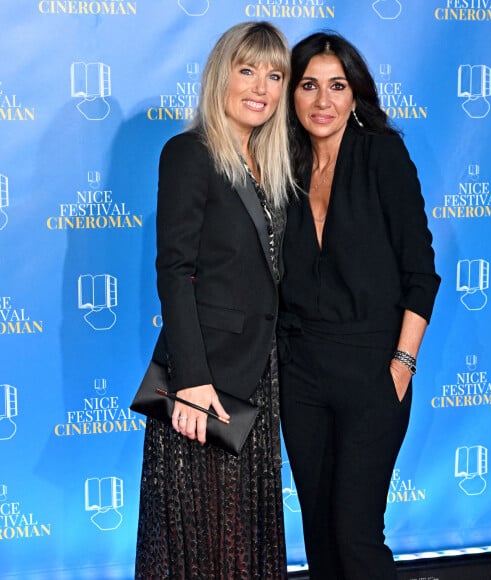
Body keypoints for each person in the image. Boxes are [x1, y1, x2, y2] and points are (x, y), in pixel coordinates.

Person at [135, 21, 295, 579]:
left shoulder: (271, 165)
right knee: (204, 542)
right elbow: (174, 272)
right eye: (247, 69)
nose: (261, 86)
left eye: (274, 74)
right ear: (220, 75)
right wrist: (191, 380)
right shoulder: (189, 152)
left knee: (243, 538)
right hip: (206, 378)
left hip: (262, 374)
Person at [277, 32, 441, 580]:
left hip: (373, 370)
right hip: (300, 376)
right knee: (321, 541)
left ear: (355, 95)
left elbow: (421, 273)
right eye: (308, 85)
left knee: (356, 537)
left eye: (337, 86)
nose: (323, 101)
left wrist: (402, 364)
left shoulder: (382, 154)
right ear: (291, 95)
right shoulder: (283, 168)